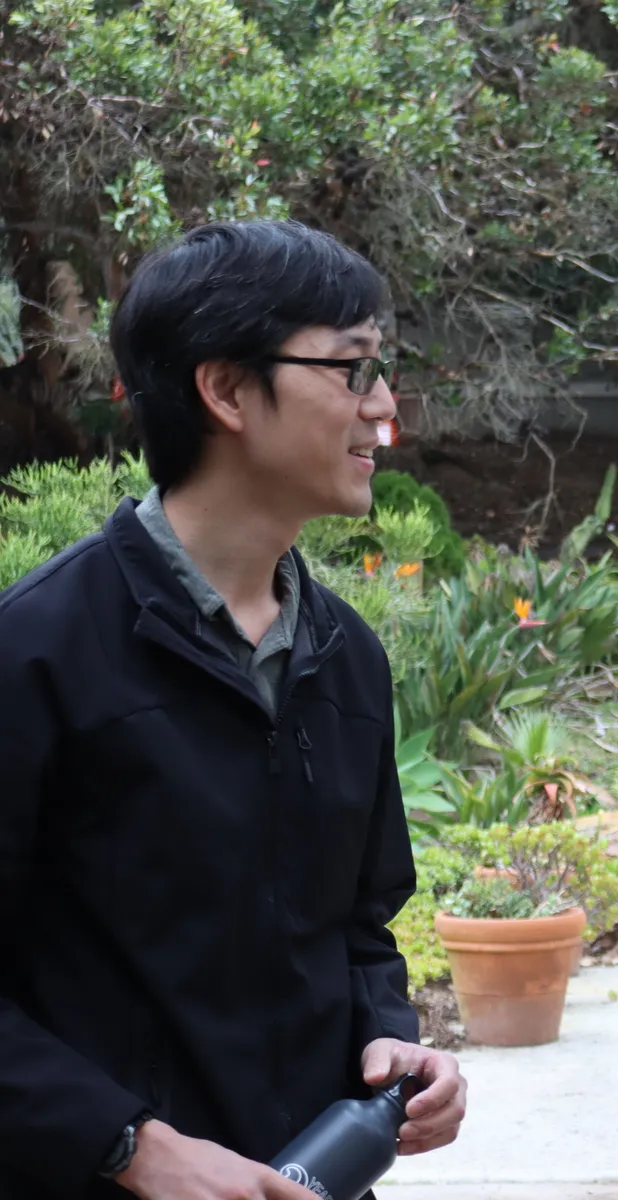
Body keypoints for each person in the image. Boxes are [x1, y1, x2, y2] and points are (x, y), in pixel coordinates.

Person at [0, 220, 467, 1200]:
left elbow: (359, 926)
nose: (383, 410)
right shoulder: (36, 653)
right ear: (223, 390)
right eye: (351, 370)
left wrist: (392, 1043)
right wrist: (133, 1146)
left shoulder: (347, 659)